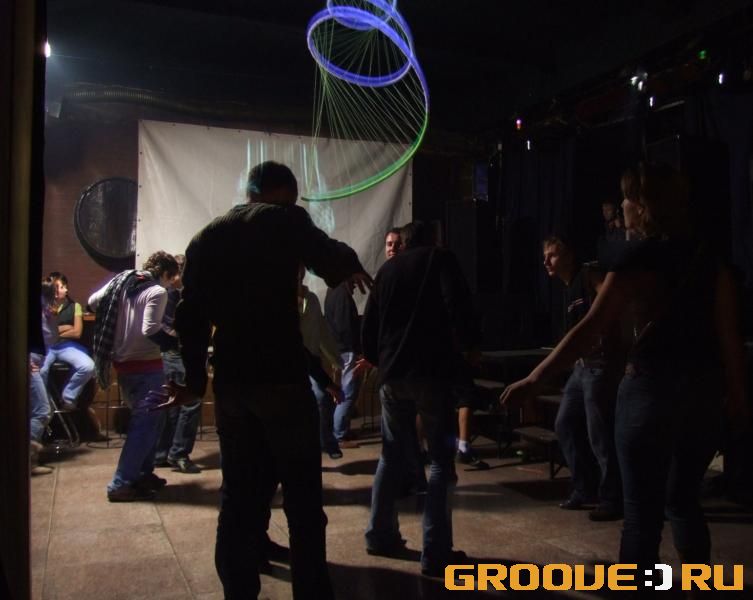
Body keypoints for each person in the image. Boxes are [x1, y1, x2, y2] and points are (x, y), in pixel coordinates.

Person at [502, 163, 749, 573]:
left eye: (626, 200)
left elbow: (590, 328)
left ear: (643, 206)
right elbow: (729, 338)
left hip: (649, 392)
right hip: (702, 396)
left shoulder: (636, 260)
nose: (621, 208)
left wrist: (535, 377)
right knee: (684, 502)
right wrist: (739, 397)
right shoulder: (713, 261)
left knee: (641, 516)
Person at [165, 161, 370, 600]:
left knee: (238, 497)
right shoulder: (284, 219)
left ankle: (239, 592)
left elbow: (191, 317)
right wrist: (349, 264)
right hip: (280, 380)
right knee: (302, 500)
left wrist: (196, 381)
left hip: (233, 384)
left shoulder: (206, 237)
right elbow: (326, 255)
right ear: (282, 194)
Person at [362, 221, 478, 577]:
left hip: (392, 376)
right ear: (434, 240)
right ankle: (436, 552)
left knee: (390, 455)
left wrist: (382, 361)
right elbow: (458, 306)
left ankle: (379, 535)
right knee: (441, 462)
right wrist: (468, 348)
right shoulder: (440, 259)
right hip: (430, 373)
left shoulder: (386, 271)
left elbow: (368, 328)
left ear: (406, 242)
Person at [542, 235, 622, 520]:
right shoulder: (567, 289)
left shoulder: (588, 274)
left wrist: (605, 338)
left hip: (600, 365)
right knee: (564, 423)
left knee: (600, 434)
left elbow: (611, 302)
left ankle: (612, 498)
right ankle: (585, 487)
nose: (546, 261)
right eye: (545, 256)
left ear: (568, 255)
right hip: (581, 367)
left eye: (552, 255)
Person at [88, 251, 180, 502]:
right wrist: (176, 342)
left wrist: (122, 322)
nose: (171, 284)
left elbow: (93, 302)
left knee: (151, 424)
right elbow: (150, 329)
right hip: (147, 366)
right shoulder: (157, 291)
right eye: (172, 278)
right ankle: (120, 484)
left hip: (124, 366)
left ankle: (143, 474)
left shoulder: (123, 282)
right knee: (145, 427)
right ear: (165, 273)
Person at [153, 254, 203, 474]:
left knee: (173, 403)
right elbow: (165, 325)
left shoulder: (171, 293)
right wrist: (181, 337)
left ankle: (163, 453)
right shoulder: (173, 294)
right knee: (191, 399)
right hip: (176, 352)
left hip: (172, 352)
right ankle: (179, 453)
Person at [298, 265, 345, 459]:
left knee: (322, 399)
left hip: (312, 362)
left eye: (300, 268)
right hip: (291, 364)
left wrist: (336, 360)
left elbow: (323, 332)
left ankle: (327, 442)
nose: (298, 272)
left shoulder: (312, 300)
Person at [40, 273, 96, 411]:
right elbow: (46, 333)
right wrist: (65, 328)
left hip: (65, 346)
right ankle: (44, 403)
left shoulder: (74, 306)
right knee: (41, 370)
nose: (66, 290)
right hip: (47, 346)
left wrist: (56, 332)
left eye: (66, 286)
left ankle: (68, 397)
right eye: (61, 287)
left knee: (88, 366)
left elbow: (76, 332)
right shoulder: (44, 305)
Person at [324, 279, 363, 447]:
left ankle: (342, 431)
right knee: (349, 390)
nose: (355, 284)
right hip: (347, 350)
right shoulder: (341, 294)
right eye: (353, 280)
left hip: (340, 349)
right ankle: (339, 433)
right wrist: (356, 349)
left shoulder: (332, 291)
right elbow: (345, 326)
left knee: (346, 389)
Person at [29, 279, 57, 476]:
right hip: (30, 363)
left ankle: (29, 459)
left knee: (43, 410)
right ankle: (27, 459)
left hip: (36, 361)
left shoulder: (45, 309)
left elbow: (51, 337)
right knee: (42, 410)